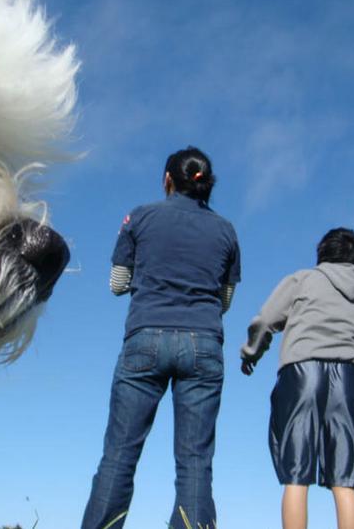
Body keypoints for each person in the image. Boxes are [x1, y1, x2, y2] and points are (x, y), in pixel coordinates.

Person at [81, 147, 241, 529]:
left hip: (145, 339)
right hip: (203, 343)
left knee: (119, 455)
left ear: (168, 180)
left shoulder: (139, 217)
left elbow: (117, 285)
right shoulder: (226, 230)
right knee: (195, 463)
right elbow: (225, 299)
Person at [240, 228, 354, 529]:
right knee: (345, 480)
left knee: (296, 473)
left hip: (302, 373)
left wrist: (251, 353)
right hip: (348, 378)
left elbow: (266, 320)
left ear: (323, 252)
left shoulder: (302, 279)